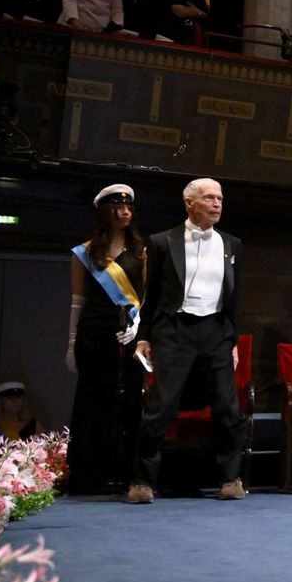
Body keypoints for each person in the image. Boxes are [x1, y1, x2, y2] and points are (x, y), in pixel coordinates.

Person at [128, 178, 247, 504]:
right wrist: (143, 336)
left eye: (220, 198)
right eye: (209, 198)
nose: (217, 203)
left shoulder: (231, 244)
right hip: (175, 331)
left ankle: (230, 478)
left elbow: (234, 297)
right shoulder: (162, 242)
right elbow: (150, 296)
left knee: (227, 407)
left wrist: (232, 340)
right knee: (161, 407)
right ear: (189, 203)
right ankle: (142, 481)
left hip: (216, 332)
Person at [65, 184, 144, 494]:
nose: (125, 212)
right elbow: (77, 301)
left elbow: (146, 297)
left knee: (127, 405)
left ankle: (124, 474)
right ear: (105, 212)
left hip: (127, 334)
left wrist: (138, 326)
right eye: (118, 207)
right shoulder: (85, 253)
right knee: (92, 403)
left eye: (128, 207)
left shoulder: (140, 251)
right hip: (94, 333)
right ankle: (89, 475)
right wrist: (71, 342)